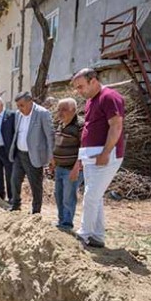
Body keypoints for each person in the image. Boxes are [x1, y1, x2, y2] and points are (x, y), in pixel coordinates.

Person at [71, 68, 125, 248]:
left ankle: (84, 233)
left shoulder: (109, 97)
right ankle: (97, 236)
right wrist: (81, 159)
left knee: (91, 195)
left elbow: (116, 127)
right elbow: (89, 129)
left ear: (93, 80)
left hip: (104, 155)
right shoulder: (90, 101)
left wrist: (105, 153)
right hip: (90, 155)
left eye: (81, 86)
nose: (79, 91)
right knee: (96, 196)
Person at [8, 91, 54, 213]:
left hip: (34, 155)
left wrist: (51, 157)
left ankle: (36, 211)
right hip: (19, 154)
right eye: (18, 106)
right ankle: (16, 205)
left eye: (22, 105)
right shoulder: (18, 114)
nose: (19, 108)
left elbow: (50, 136)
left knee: (35, 185)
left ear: (30, 102)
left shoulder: (42, 114)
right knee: (14, 180)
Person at [50, 98, 83, 230]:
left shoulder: (80, 126)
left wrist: (77, 167)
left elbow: (84, 148)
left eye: (64, 110)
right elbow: (57, 143)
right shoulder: (61, 124)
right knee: (58, 195)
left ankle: (67, 223)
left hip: (72, 169)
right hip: (59, 167)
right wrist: (53, 160)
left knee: (68, 197)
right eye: (59, 109)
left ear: (74, 111)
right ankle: (61, 220)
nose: (60, 113)